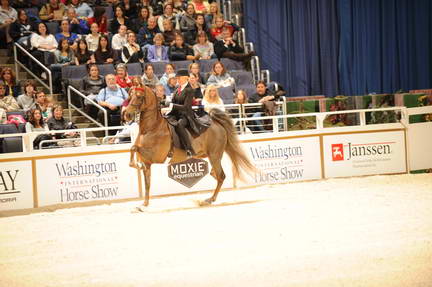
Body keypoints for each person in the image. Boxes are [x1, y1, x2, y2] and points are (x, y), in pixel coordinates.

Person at [165, 69, 209, 157]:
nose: (178, 80)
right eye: (177, 78)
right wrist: (164, 103)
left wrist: (172, 105)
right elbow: (173, 101)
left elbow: (186, 107)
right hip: (176, 113)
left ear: (185, 78)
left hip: (186, 115)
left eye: (179, 78)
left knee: (180, 125)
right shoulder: (177, 89)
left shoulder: (189, 90)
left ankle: (189, 149)